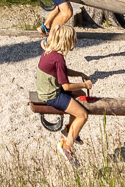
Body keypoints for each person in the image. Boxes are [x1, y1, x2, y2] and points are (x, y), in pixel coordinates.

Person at [36, 22, 94, 160]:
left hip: (46, 90)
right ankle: (66, 146)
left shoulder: (50, 52)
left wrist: (79, 73)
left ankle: (69, 129)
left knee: (80, 96)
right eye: (73, 40)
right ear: (66, 41)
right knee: (83, 115)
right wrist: (84, 85)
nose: (75, 42)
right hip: (52, 96)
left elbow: (62, 71)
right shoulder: (58, 59)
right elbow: (66, 87)